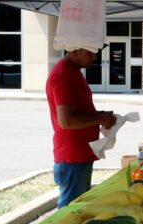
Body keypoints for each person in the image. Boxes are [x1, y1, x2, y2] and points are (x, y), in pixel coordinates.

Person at [46, 48, 117, 208]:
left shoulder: (74, 72)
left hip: (81, 154)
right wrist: (99, 118)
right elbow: (67, 121)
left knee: (80, 210)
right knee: (70, 213)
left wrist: (100, 116)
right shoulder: (63, 75)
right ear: (75, 50)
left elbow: (78, 111)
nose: (94, 57)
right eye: (89, 53)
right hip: (72, 156)